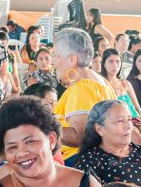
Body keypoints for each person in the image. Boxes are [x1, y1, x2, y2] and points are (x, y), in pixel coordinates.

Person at [49, 28, 115, 160]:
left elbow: (79, 137)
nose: (52, 62)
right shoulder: (100, 81)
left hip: (78, 160)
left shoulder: (81, 87)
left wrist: (44, 126)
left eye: (56, 55)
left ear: (72, 59)